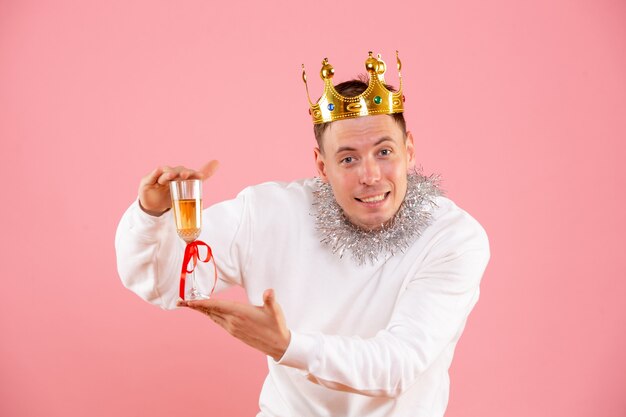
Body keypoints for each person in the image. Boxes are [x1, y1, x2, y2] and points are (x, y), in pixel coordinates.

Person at [115, 51, 490, 417]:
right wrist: (153, 214)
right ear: (321, 166)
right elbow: (164, 284)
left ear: (409, 151)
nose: (370, 175)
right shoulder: (269, 214)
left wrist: (287, 346)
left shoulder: (454, 239)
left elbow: (398, 365)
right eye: (348, 159)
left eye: (384, 151)